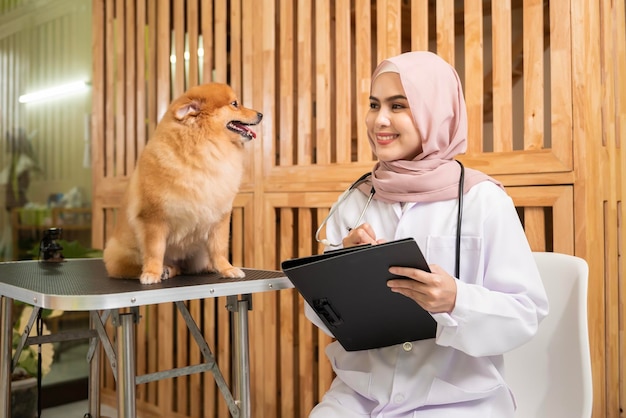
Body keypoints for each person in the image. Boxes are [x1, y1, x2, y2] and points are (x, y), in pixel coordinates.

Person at [305, 51, 549, 417]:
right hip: (359, 396)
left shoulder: (484, 200)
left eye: (398, 105)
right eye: (374, 104)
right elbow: (320, 315)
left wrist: (456, 300)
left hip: (459, 401)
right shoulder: (355, 200)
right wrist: (340, 269)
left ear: (437, 112)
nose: (379, 120)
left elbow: (525, 313)